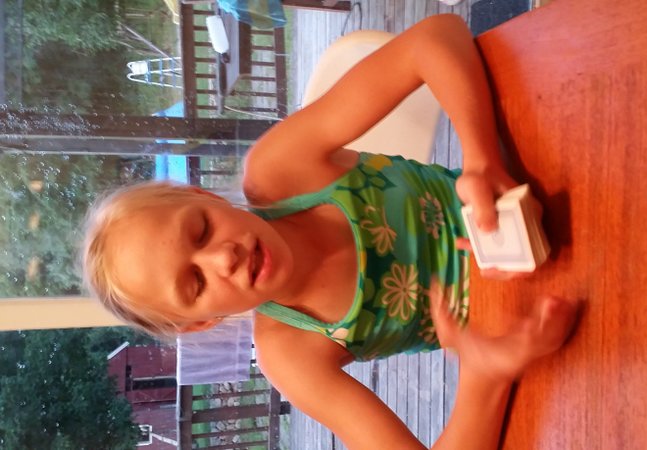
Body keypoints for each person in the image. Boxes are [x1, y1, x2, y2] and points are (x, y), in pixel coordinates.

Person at [82, 14, 578, 450]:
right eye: (195, 284)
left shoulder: (281, 169)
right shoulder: (291, 353)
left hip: (542, 185)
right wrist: (484, 377)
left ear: (208, 198)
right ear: (200, 323)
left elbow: (435, 37)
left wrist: (480, 156)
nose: (222, 259)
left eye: (201, 229)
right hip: (531, 325)